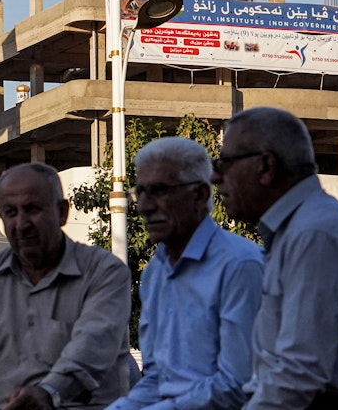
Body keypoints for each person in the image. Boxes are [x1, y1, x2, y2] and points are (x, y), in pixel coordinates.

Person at [211, 106, 338, 409]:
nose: (215, 177)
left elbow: (297, 374)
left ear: (265, 166)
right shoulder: (297, 231)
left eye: (225, 162)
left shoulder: (316, 233)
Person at [0, 163, 132, 410]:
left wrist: (49, 393)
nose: (21, 224)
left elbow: (92, 348)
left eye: (31, 209)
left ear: (62, 212)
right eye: (10, 212)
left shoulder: (104, 271)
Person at [108, 137, 264, 409]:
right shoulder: (155, 272)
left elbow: (238, 385)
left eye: (158, 190)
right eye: (140, 192)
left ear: (200, 195)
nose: (144, 206)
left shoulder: (239, 265)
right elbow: (158, 377)